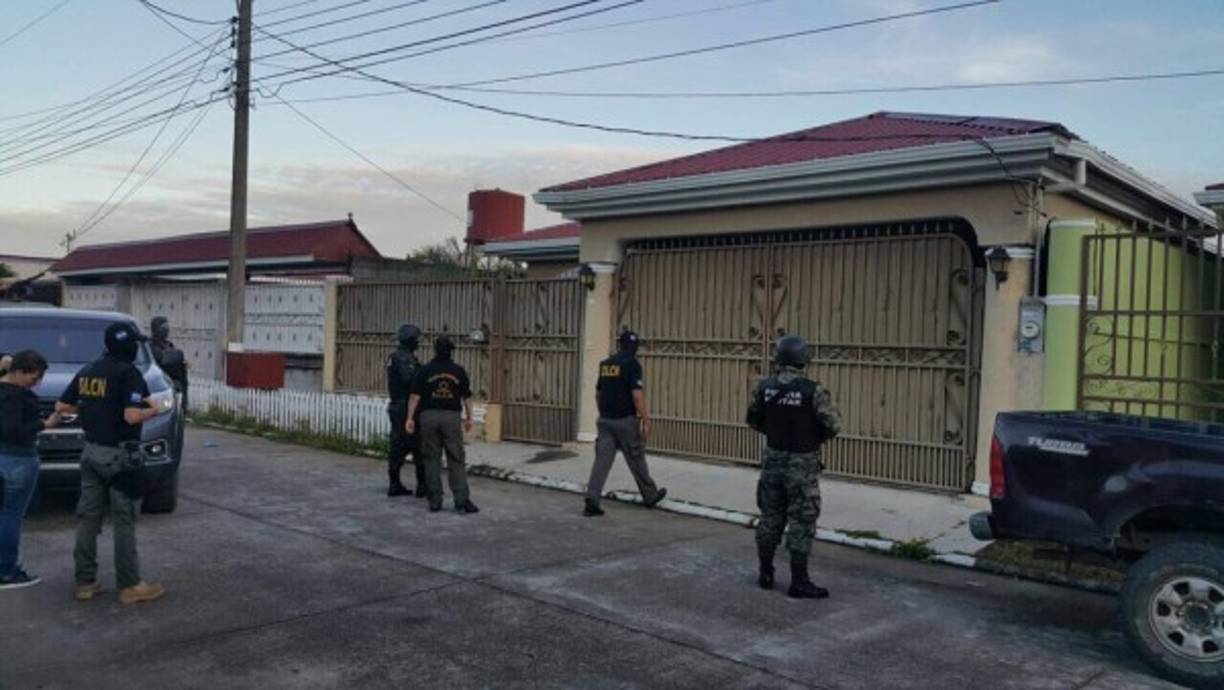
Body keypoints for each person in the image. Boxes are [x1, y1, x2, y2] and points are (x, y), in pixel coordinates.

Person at [56, 322, 167, 605]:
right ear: (128, 346)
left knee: (88, 519)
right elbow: (131, 416)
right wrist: (155, 409)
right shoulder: (128, 373)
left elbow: (63, 407)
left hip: (91, 452)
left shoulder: (89, 370)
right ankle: (130, 585)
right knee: (124, 521)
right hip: (120, 458)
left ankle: (85, 582)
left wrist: (94, 409)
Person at [746, 335, 841, 600]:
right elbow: (834, 426)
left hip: (773, 460)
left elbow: (753, 420)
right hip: (802, 463)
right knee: (801, 520)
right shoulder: (814, 390)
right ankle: (799, 581)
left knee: (770, 516)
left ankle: (765, 572)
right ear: (802, 359)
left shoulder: (765, 387)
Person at [583, 330, 667, 517]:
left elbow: (598, 394)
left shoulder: (605, 364)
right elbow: (637, 396)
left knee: (601, 462)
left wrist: (604, 414)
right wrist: (646, 419)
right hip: (625, 421)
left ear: (620, 345)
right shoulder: (633, 365)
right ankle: (650, 495)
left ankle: (591, 500)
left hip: (605, 421)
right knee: (636, 458)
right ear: (635, 348)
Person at [0, 350, 61, 589]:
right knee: (11, 515)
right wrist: (44, 424)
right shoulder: (15, 397)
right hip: (17, 459)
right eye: (33, 378)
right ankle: (6, 571)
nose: (36, 383)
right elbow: (13, 430)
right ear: (18, 372)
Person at [405, 337, 478, 514]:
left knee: (431, 459)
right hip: (451, 418)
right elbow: (466, 397)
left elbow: (415, 396)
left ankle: (435, 501)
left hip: (428, 417)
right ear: (451, 351)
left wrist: (410, 418)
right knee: (456, 459)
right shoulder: (458, 371)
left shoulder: (425, 370)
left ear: (435, 350)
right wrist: (469, 418)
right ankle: (461, 501)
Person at [385, 323, 426, 497]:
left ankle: (396, 483)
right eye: (416, 340)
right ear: (410, 340)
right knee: (416, 446)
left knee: (398, 445)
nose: (418, 343)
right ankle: (420, 486)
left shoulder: (396, 356)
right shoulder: (404, 359)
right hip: (405, 407)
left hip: (398, 406)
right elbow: (410, 381)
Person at [149, 317, 188, 413]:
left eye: (167, 327)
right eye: (164, 327)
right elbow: (162, 359)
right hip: (161, 386)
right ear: (156, 329)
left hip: (177, 384)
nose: (167, 330)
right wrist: (178, 355)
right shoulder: (150, 345)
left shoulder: (169, 345)